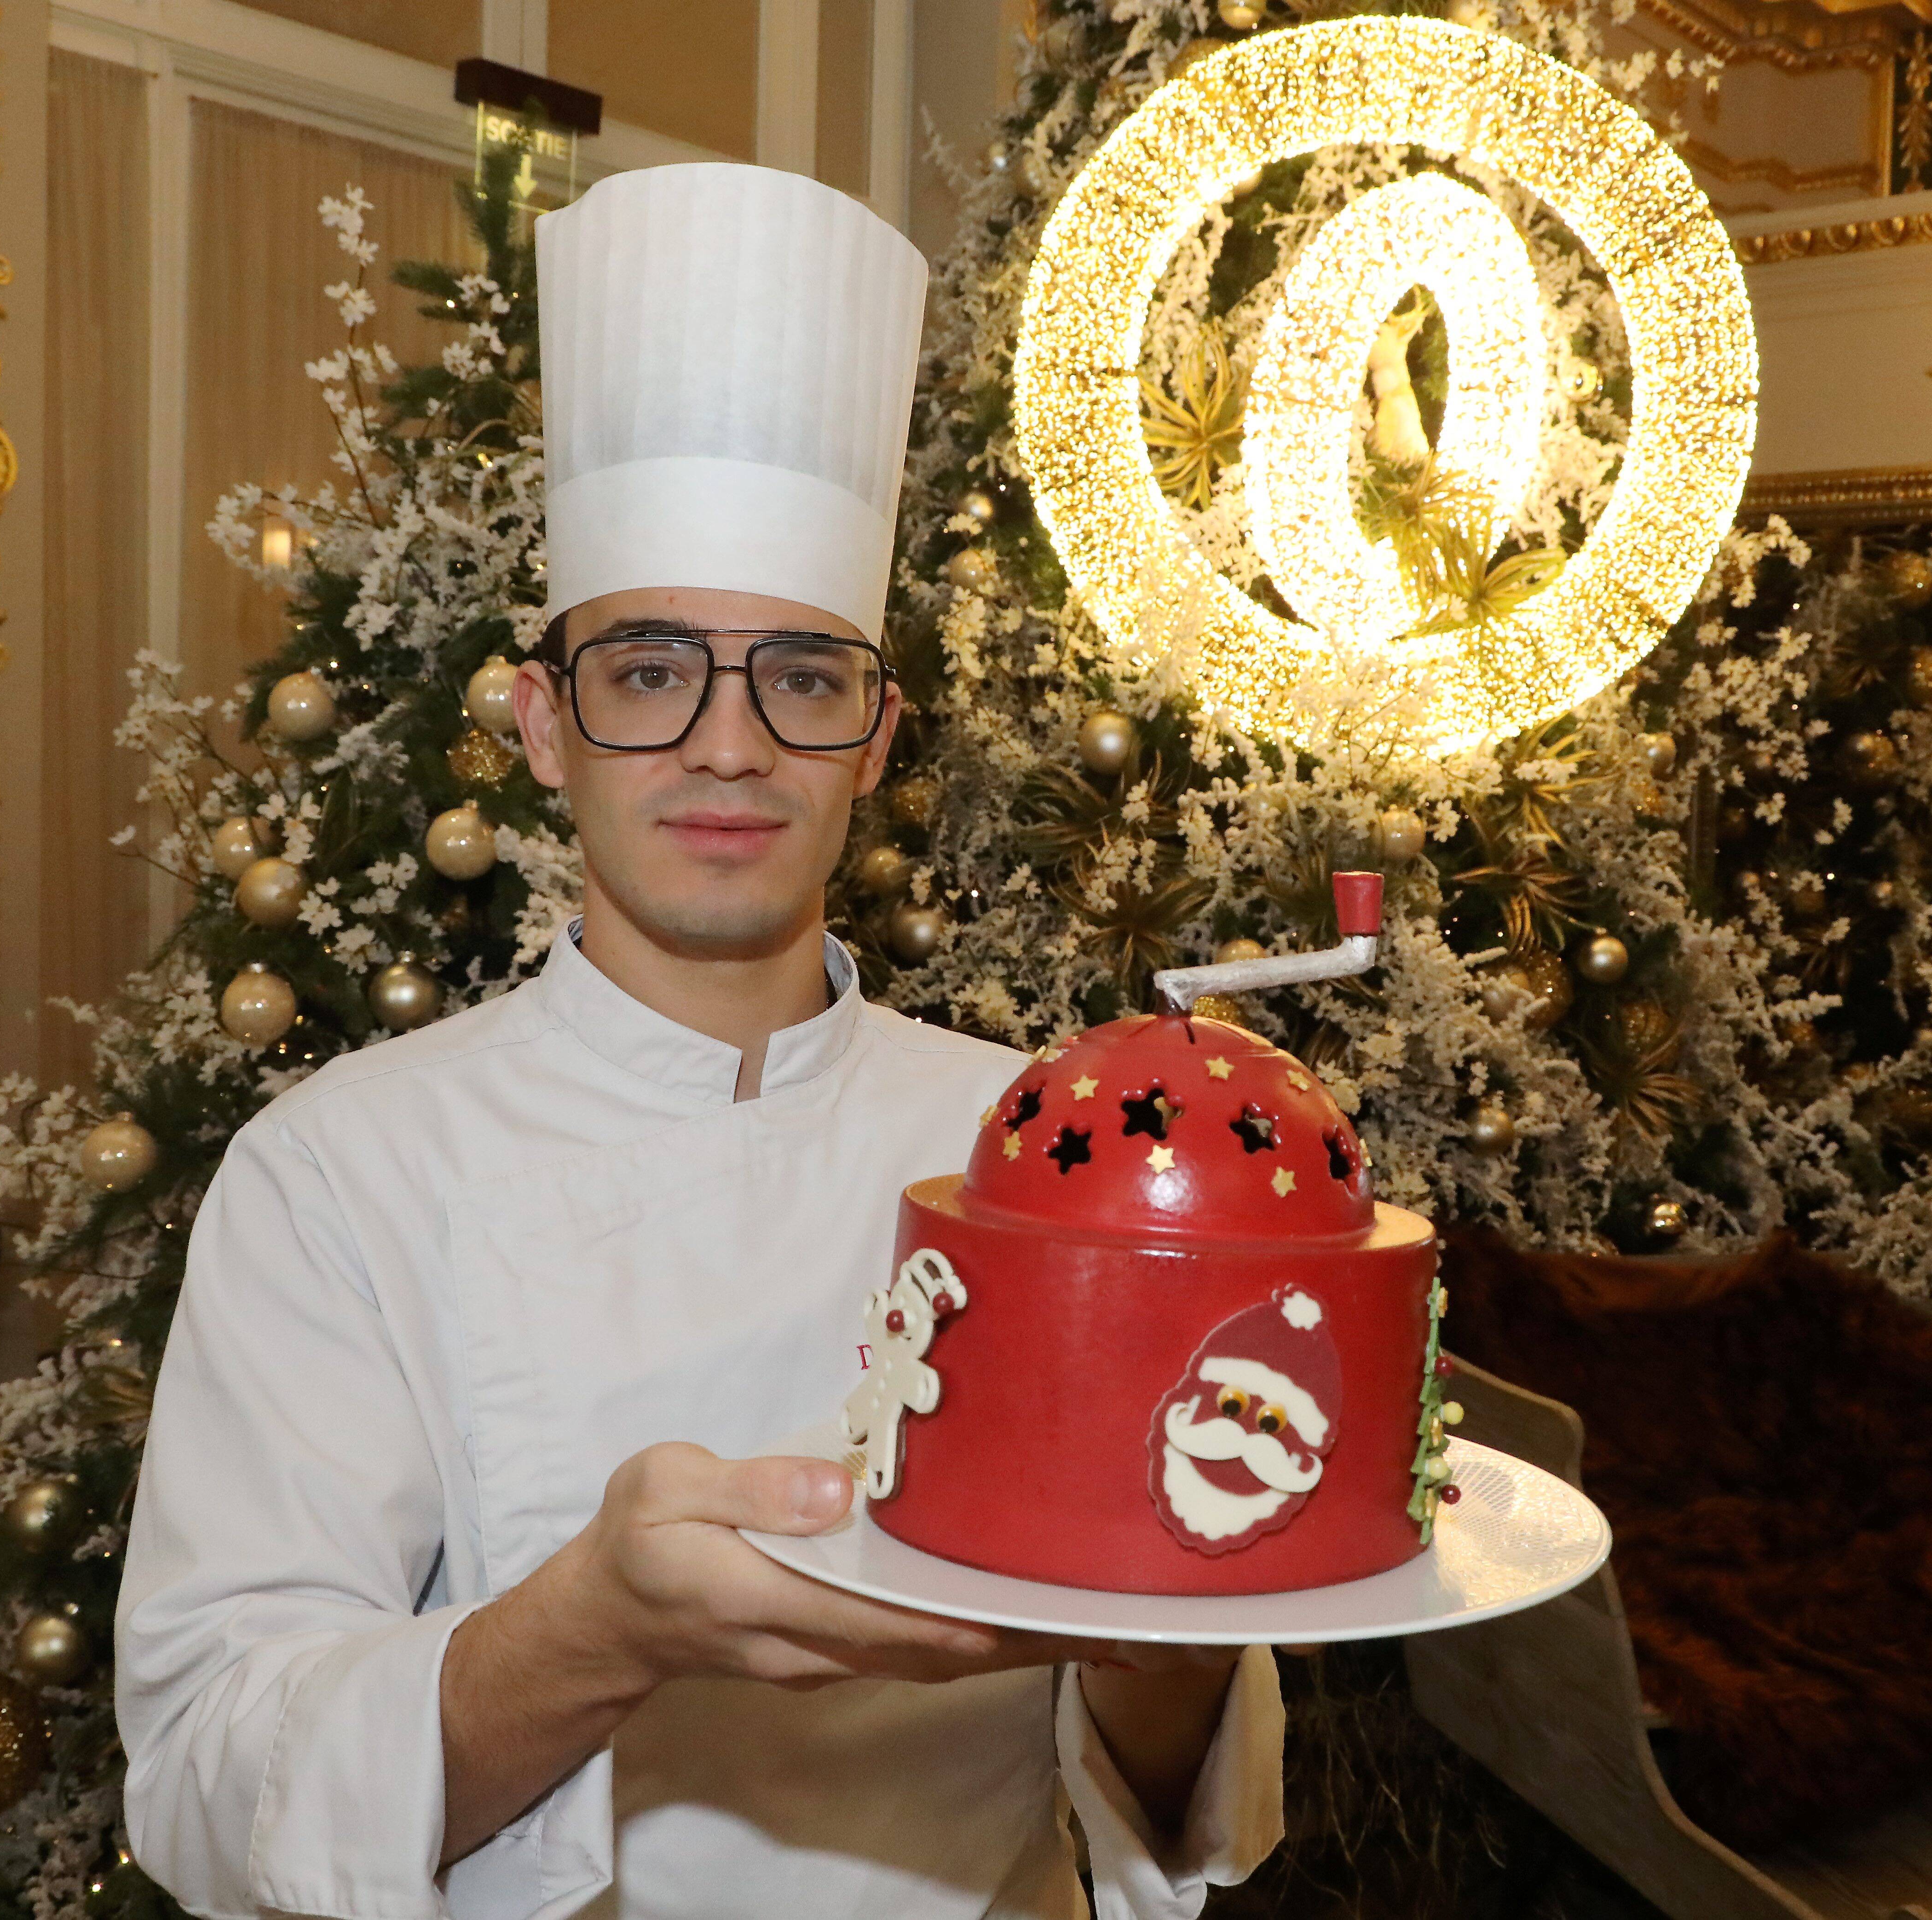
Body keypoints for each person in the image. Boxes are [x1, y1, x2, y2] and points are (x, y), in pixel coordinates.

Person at [117, 162, 1285, 1920]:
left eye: (802, 677)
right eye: (650, 667)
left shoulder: (1036, 1148)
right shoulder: (337, 1171)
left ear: (877, 737)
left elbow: (1193, 1785)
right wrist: (587, 1631)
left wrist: (1157, 1636)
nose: (729, 748)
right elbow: (209, 1781)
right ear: (540, 725)